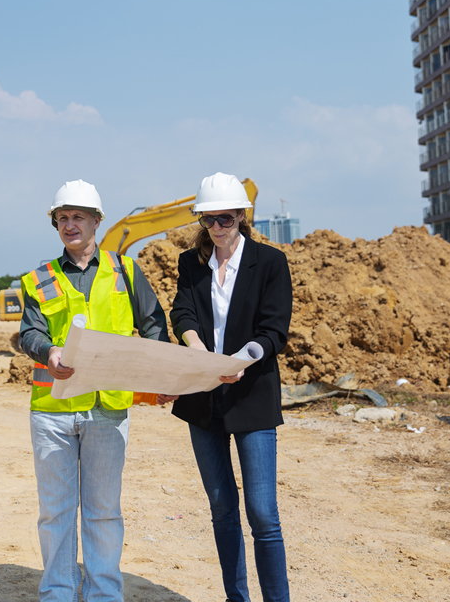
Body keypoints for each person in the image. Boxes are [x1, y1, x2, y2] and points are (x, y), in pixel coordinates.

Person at [18, 179, 170, 602]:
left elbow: (154, 324)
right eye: (62, 218)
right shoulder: (39, 278)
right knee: (56, 513)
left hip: (107, 408)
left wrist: (157, 372)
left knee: (103, 513)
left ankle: (104, 595)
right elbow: (29, 331)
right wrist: (47, 350)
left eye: (77, 217)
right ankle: (59, 594)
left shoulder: (124, 270)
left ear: (97, 221)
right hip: (53, 410)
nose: (70, 225)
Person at [167, 172, 293, 602]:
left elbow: (275, 329)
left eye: (225, 219)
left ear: (242, 215)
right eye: (208, 220)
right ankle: (235, 598)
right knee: (222, 508)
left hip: (251, 395)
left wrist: (242, 360)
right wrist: (198, 349)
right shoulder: (191, 263)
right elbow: (181, 312)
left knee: (262, 513)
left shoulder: (271, 263)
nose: (217, 228)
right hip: (202, 399)